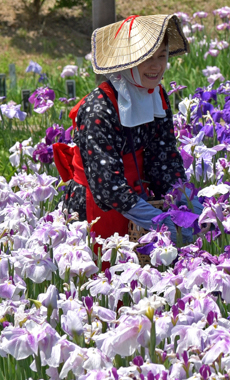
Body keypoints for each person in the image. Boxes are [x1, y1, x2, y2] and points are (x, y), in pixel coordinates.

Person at [55, 14, 197, 249]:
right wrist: (160, 223)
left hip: (140, 204)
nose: (156, 66)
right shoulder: (98, 108)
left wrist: (190, 207)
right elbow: (107, 186)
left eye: (162, 56)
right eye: (146, 58)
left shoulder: (156, 96)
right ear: (127, 61)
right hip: (98, 208)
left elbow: (164, 162)